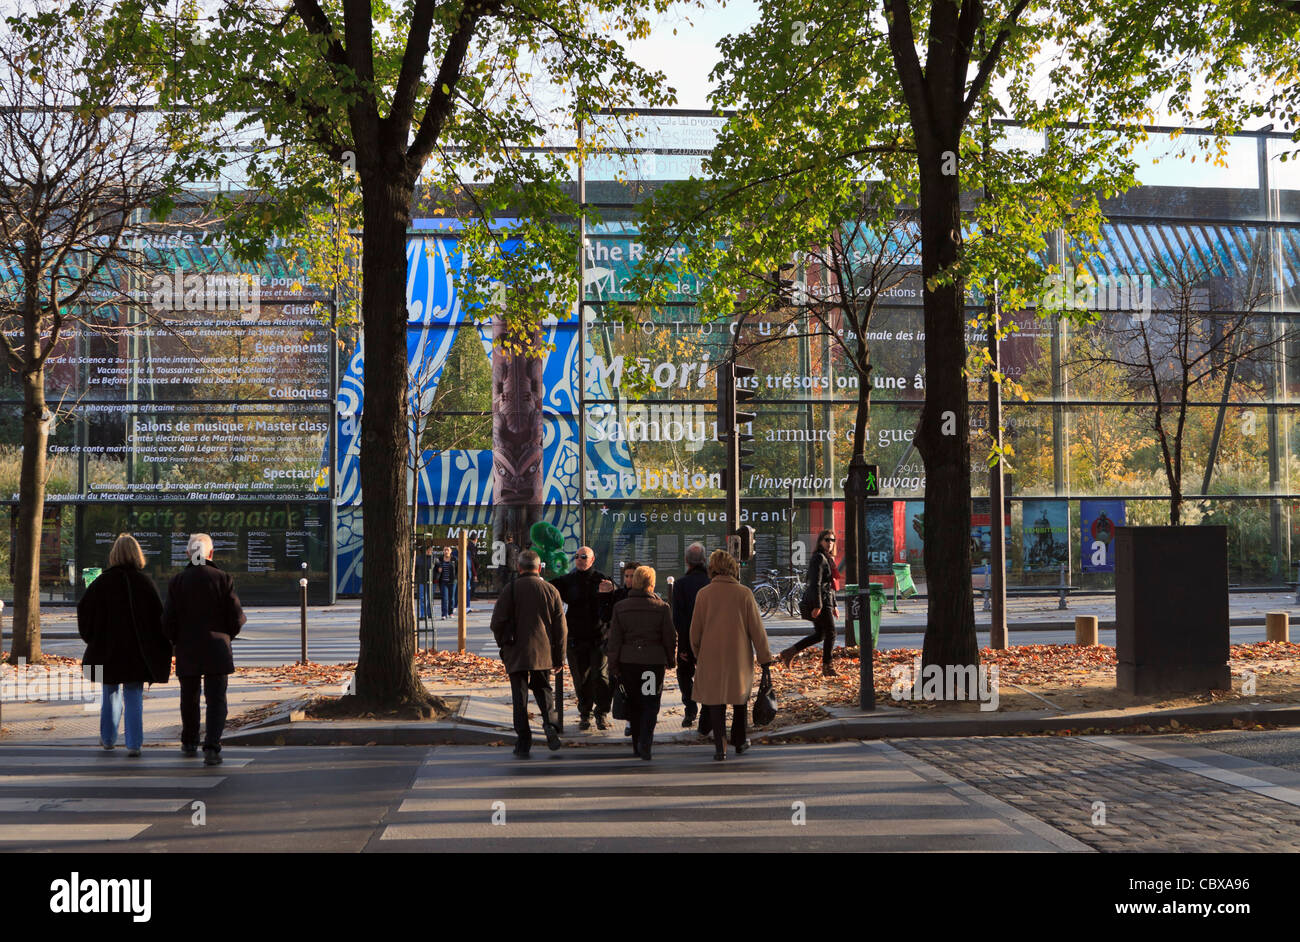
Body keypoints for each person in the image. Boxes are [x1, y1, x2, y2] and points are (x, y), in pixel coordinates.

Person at [77, 534, 171, 757]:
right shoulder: (145, 583)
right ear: (138, 555)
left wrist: (92, 637)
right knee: (133, 693)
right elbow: (159, 619)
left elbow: (84, 612)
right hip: (137, 652)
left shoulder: (101, 583)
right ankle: (134, 743)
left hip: (107, 650)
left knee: (109, 691)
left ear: (114, 555)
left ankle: (108, 739)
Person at [163, 533, 246, 766]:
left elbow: (167, 619)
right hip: (217, 648)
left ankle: (189, 741)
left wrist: (175, 640)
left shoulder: (177, 581)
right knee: (216, 699)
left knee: (189, 698)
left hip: (187, 648)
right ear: (210, 554)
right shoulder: (222, 578)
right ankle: (212, 745)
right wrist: (227, 635)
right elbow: (236, 616)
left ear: (189, 554)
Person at [690, 549, 773, 761]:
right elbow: (757, 630)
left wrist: (699, 653)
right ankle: (740, 739)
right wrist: (765, 659)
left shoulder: (703, 594)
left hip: (710, 655)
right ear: (733, 569)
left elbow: (695, 632)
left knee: (716, 700)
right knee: (739, 698)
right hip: (738, 656)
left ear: (712, 569)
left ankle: (720, 745)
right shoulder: (744, 594)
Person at [490, 550, 567, 758]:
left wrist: (504, 645)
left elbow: (496, 622)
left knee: (519, 696)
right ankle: (550, 724)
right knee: (544, 690)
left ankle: (523, 740)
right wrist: (559, 657)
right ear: (539, 567)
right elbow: (561, 629)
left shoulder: (510, 590)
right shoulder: (551, 590)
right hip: (543, 652)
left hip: (516, 651)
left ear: (519, 567)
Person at [607, 566, 675, 761]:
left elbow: (615, 640)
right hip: (652, 663)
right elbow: (669, 638)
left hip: (628, 662)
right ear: (651, 584)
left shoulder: (620, 607)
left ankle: (637, 744)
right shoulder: (662, 608)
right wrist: (671, 660)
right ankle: (646, 741)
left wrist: (614, 666)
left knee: (634, 703)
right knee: (650, 703)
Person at [549, 546, 615, 730]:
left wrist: (613, 588)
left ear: (592, 560)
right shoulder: (568, 580)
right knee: (581, 679)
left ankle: (601, 713)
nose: (579, 559)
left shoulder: (602, 579)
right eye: (577, 556)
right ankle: (585, 713)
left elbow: (618, 597)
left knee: (601, 677)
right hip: (576, 639)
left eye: (584, 556)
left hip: (599, 637)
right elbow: (548, 588)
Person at [779, 529, 840, 676]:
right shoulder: (818, 558)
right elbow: (816, 583)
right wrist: (818, 605)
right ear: (820, 541)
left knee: (820, 635)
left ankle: (789, 652)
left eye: (832, 540)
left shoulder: (828, 558)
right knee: (831, 633)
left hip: (826, 600)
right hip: (821, 602)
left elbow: (830, 584)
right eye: (827, 540)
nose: (830, 543)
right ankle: (827, 667)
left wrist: (835, 605)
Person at [671, 543, 710, 729]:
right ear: (704, 560)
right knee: (708, 675)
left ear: (686, 561)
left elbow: (679, 619)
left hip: (688, 640)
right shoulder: (711, 582)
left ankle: (690, 708)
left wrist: (685, 647)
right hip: (710, 642)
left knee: (684, 674)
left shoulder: (680, 585)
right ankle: (706, 710)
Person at [600, 560, 640, 739]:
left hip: (637, 648)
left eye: (632, 576)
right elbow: (606, 616)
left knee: (635, 687)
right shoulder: (619, 595)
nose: (629, 579)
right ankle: (607, 713)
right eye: (627, 576)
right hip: (620, 648)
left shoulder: (645, 595)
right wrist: (605, 596)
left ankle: (633, 721)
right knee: (618, 684)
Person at [434, 546, 455, 619]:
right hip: (443, 581)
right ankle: (444, 614)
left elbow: (458, 569)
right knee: (444, 598)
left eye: (448, 550)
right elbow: (436, 568)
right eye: (445, 550)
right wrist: (438, 569)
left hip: (452, 581)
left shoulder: (454, 559)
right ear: (443, 551)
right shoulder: (440, 559)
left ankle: (451, 612)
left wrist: (456, 577)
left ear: (450, 551)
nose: (446, 551)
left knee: (451, 598)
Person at [414, 541, 434, 621]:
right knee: (423, 598)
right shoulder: (419, 559)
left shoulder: (432, 558)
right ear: (426, 550)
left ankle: (429, 613)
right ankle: (423, 614)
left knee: (430, 598)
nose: (431, 551)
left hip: (430, 581)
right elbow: (415, 569)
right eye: (430, 550)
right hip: (422, 580)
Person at [466, 537, 479, 612]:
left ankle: (467, 605)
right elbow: (473, 558)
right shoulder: (471, 547)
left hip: (470, 570)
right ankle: (471, 596)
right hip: (470, 569)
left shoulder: (468, 550)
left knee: (468, 586)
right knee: (469, 586)